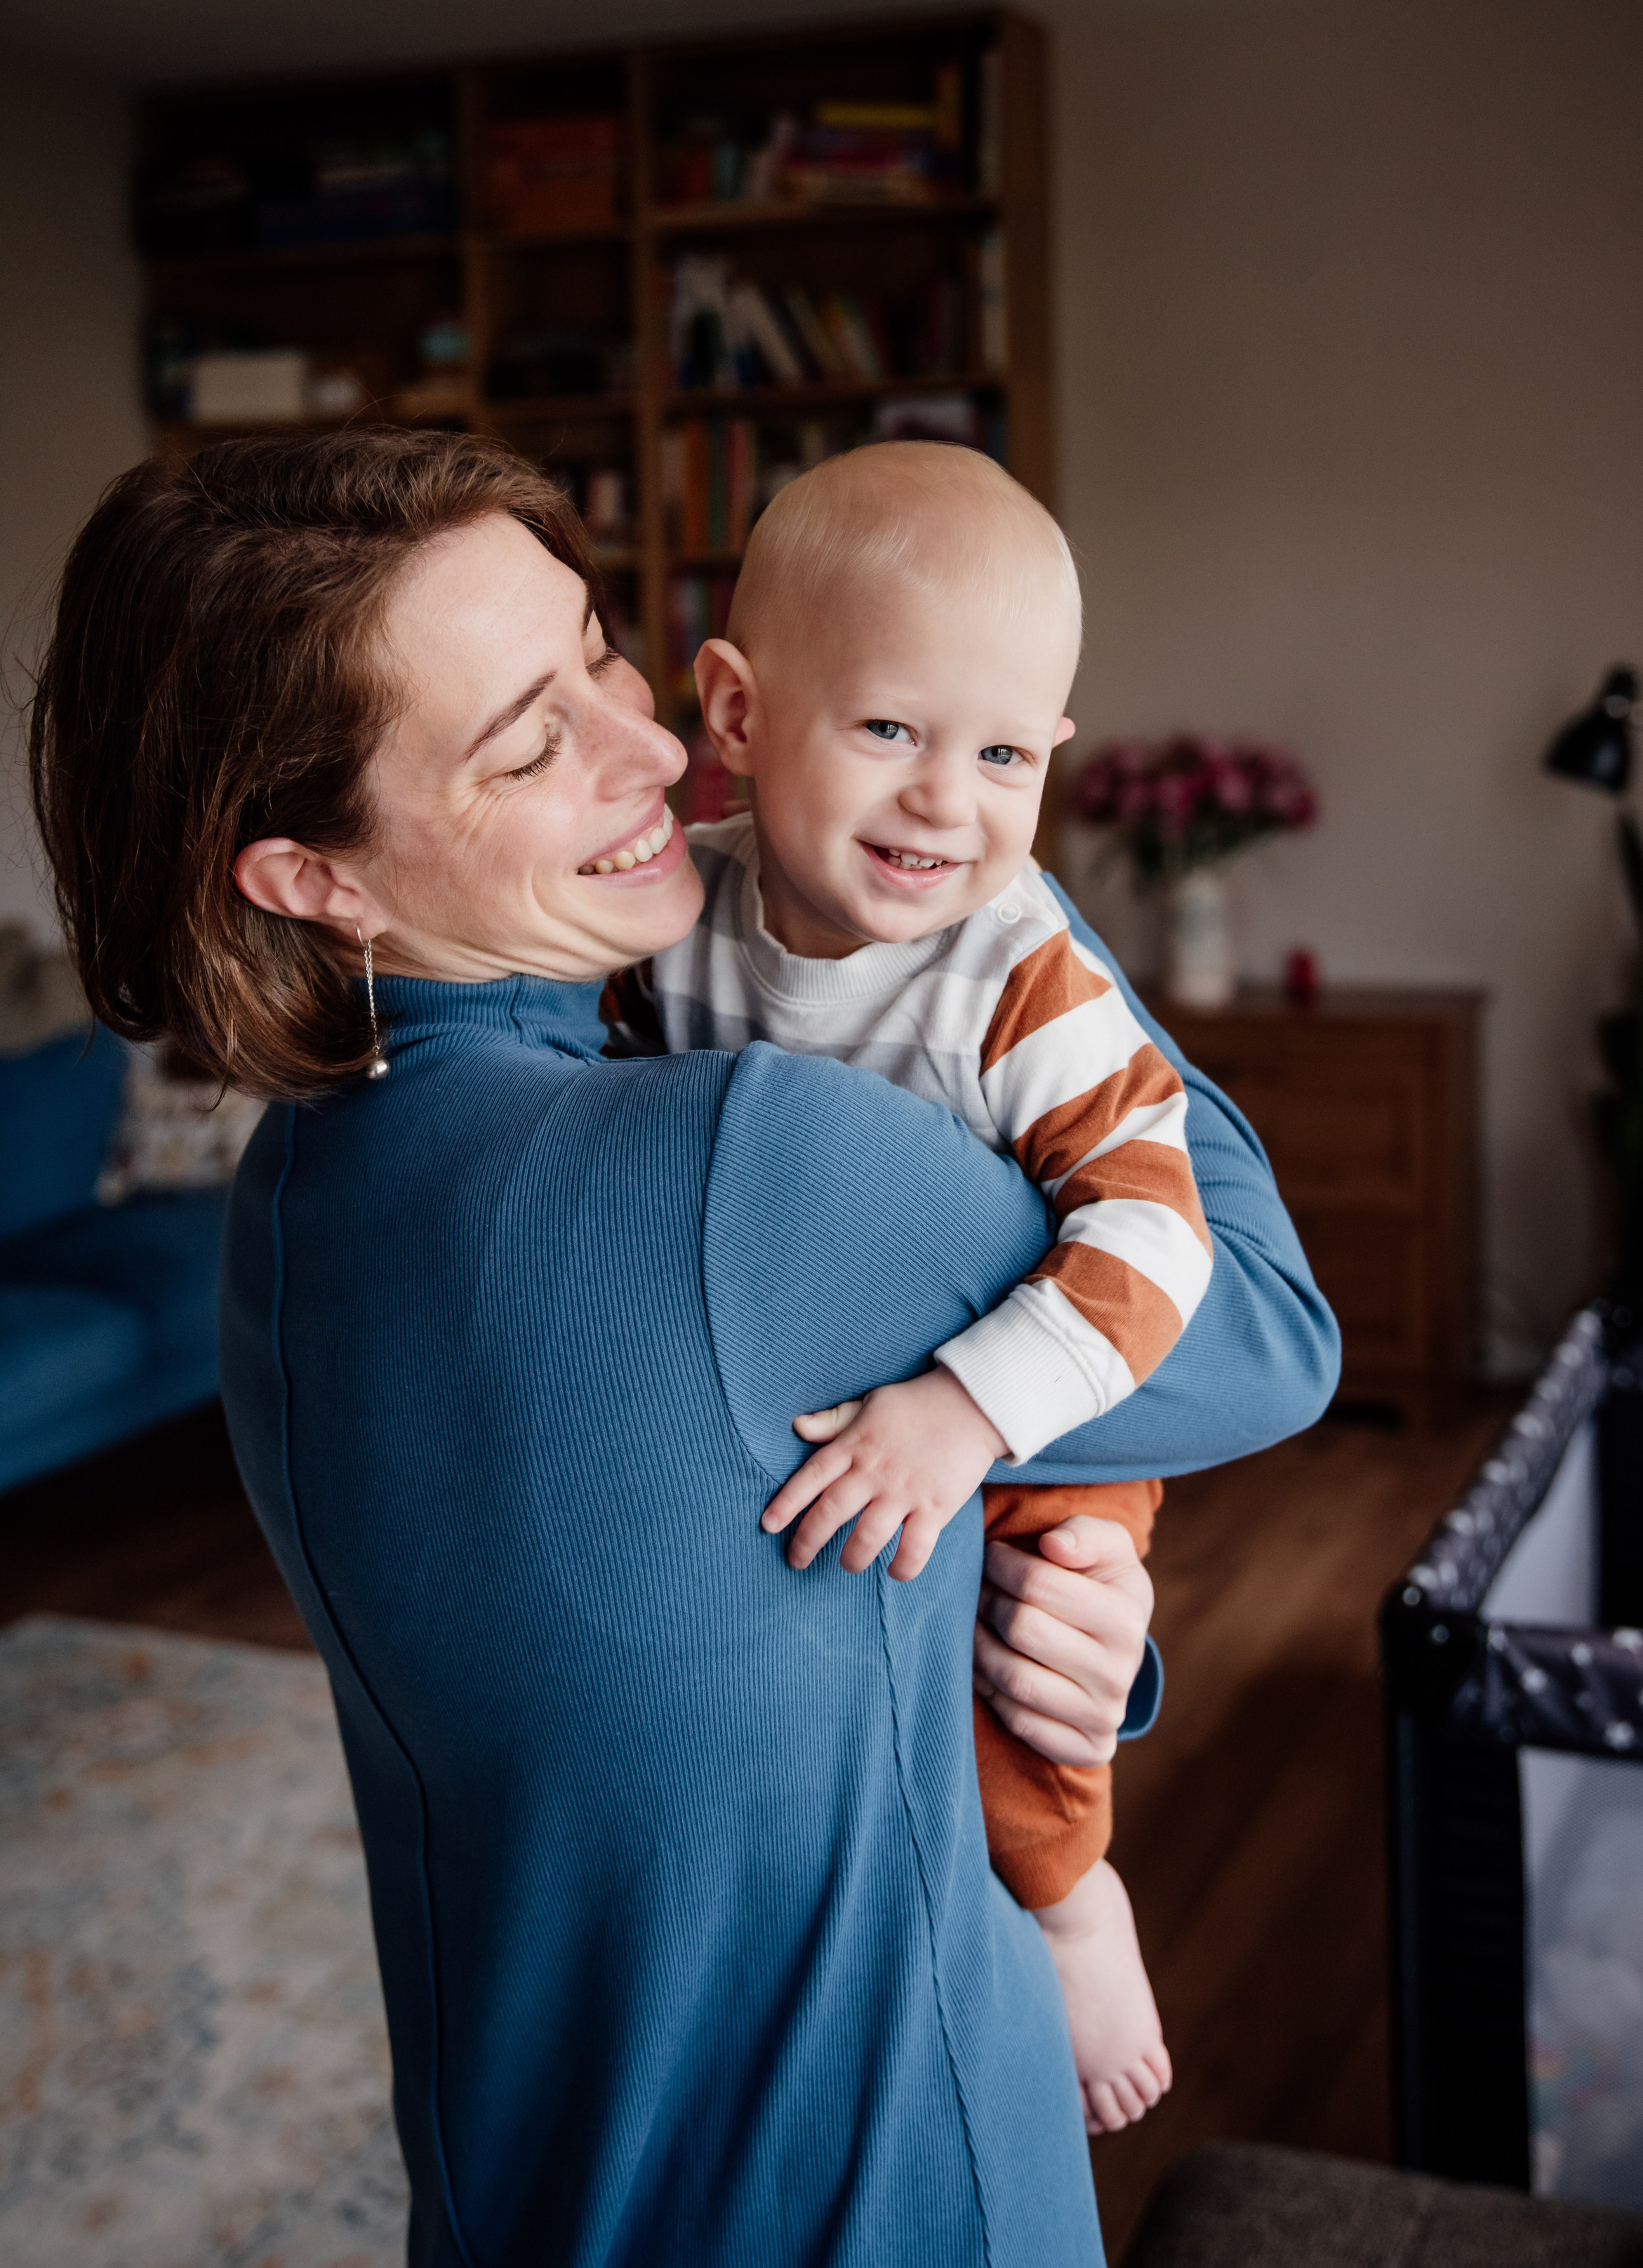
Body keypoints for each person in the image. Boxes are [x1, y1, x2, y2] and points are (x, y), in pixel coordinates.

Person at [29, 430, 1338, 2268]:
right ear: (312, 872)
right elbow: (1273, 1328)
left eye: (599, 658)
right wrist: (989, 928)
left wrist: (1047, 1609)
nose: (658, 751)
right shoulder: (756, 1162)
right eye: (527, 737)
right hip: (880, 2197)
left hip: (526, 2188)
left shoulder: (287, 1206)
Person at [606, 441, 1206, 2129]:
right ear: (731, 709)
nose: (949, 799)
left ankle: (1078, 1898)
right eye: (889, 730)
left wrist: (964, 1416)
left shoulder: (1016, 969)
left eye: (1003, 750)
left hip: (1031, 1401)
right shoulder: (675, 913)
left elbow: (1159, 1236)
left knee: (1031, 1658)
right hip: (816, 1403)